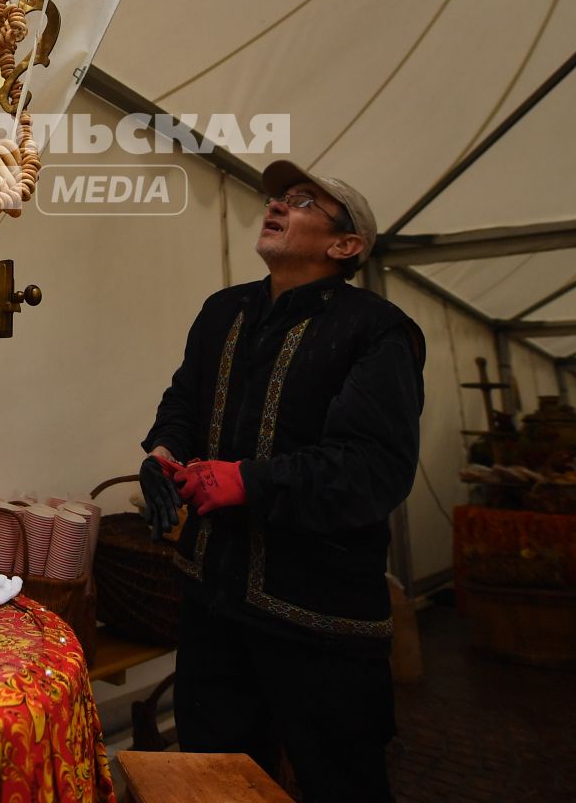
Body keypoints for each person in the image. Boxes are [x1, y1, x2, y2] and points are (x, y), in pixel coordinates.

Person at [138, 162, 422, 802]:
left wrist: (251, 482)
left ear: (344, 245)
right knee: (216, 778)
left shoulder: (377, 330)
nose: (277, 205)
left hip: (319, 617)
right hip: (213, 601)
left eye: (301, 202)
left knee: (339, 782)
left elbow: (376, 467)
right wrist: (162, 452)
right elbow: (183, 402)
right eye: (277, 197)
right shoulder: (223, 311)